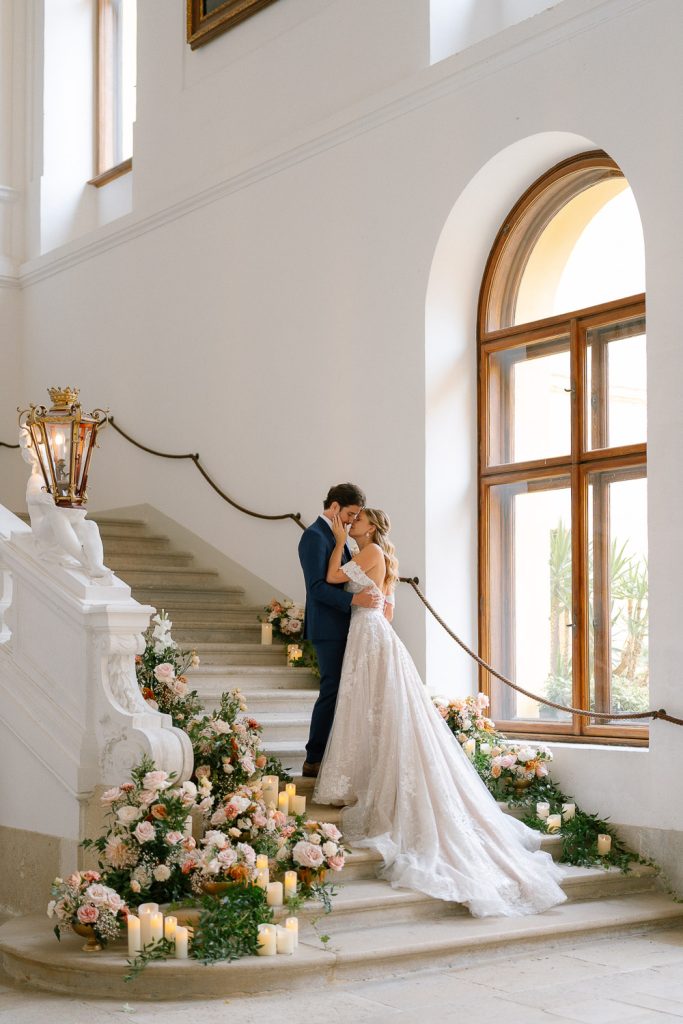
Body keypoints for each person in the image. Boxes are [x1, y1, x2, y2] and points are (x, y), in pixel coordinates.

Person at [314, 508, 567, 918]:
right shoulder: (379, 555)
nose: (352, 525)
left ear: (372, 527)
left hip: (369, 632)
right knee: (370, 708)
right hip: (374, 629)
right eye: (350, 522)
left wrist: (340, 544)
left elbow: (331, 579)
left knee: (373, 706)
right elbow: (389, 610)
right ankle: (364, 773)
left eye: (357, 522)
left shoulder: (371, 549)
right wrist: (371, 603)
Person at [298, 483, 383, 778]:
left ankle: (337, 757)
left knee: (346, 692)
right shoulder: (313, 536)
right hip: (328, 626)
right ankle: (314, 758)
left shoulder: (341, 537)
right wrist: (354, 599)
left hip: (350, 625)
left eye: (356, 515)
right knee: (332, 690)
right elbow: (317, 587)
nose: (350, 520)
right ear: (334, 507)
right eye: (349, 513)